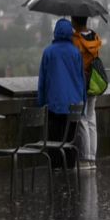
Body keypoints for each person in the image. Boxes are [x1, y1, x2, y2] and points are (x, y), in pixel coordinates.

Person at [37, 18, 86, 167]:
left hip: (55, 105)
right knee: (70, 141)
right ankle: (70, 170)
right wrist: (83, 102)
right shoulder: (76, 53)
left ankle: (56, 171)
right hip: (73, 106)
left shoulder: (48, 52)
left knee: (54, 141)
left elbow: (43, 81)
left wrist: (41, 102)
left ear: (56, 32)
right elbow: (81, 78)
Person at [71, 15, 102, 170]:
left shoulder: (75, 40)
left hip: (81, 83)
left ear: (74, 21)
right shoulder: (94, 38)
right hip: (93, 83)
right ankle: (92, 158)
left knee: (82, 120)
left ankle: (84, 158)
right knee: (91, 120)